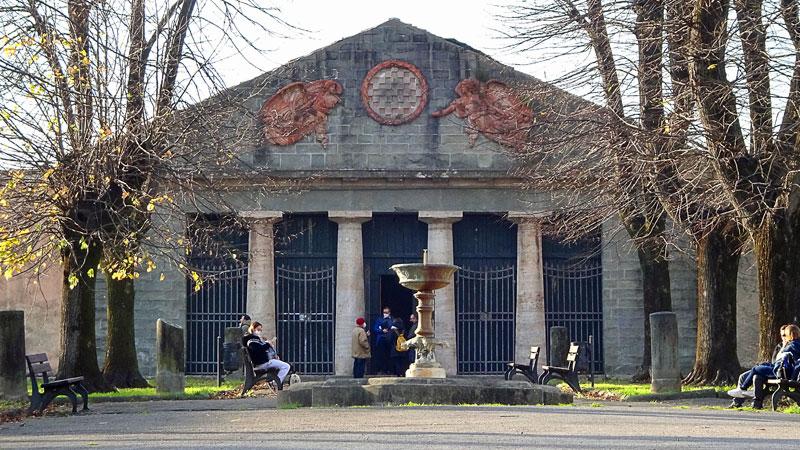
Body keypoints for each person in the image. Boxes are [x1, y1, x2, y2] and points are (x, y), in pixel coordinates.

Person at [729, 324, 800, 408]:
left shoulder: (791, 346)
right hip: (781, 370)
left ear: (789, 335)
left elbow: (784, 362)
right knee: (756, 372)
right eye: (782, 335)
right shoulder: (788, 345)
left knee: (756, 370)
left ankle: (743, 389)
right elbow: (776, 361)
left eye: (785, 335)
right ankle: (750, 399)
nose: (783, 337)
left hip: (780, 373)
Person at [244, 321, 290, 389]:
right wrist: (268, 344)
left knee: (282, 364)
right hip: (262, 364)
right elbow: (258, 350)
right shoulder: (252, 341)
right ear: (253, 329)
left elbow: (261, 350)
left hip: (263, 362)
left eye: (260, 330)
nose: (259, 332)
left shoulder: (254, 340)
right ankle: (275, 383)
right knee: (286, 366)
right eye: (258, 330)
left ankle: (275, 382)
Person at [373, 306, 394, 374]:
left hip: (390, 340)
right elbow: (375, 329)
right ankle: (382, 370)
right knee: (381, 356)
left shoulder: (392, 319)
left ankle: (390, 370)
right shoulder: (379, 319)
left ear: (389, 313)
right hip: (381, 340)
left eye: (386, 312)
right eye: (384, 312)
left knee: (390, 356)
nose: (385, 313)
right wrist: (382, 330)